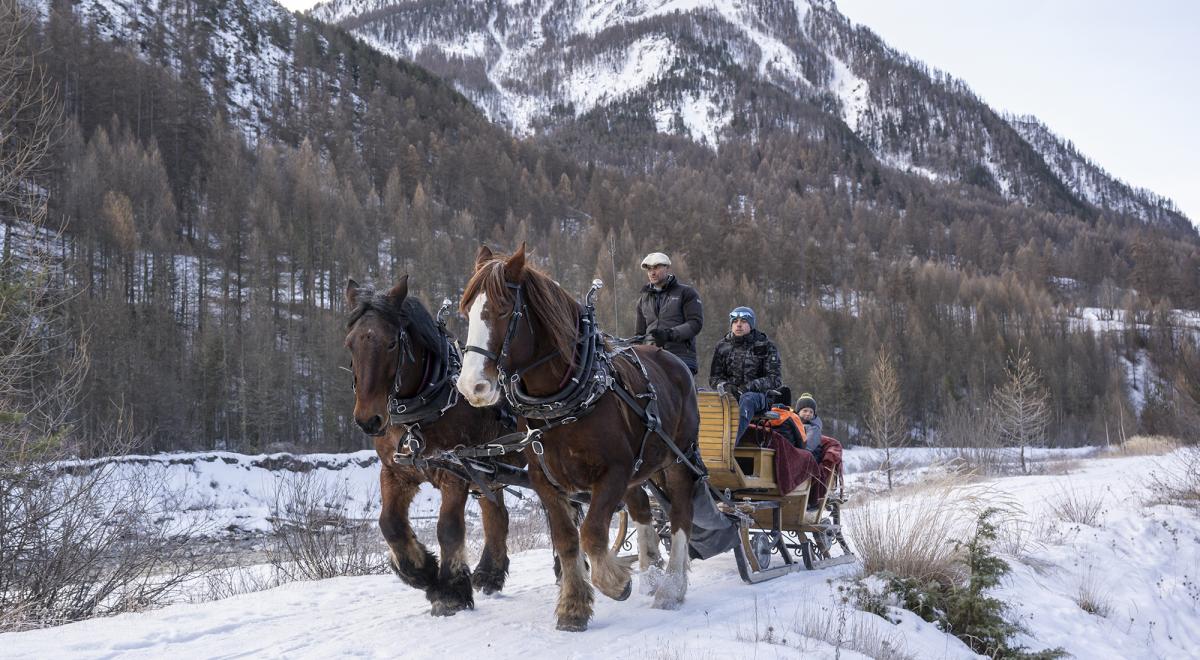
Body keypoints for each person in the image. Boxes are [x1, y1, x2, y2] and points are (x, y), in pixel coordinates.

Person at [709, 306, 781, 444]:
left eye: (743, 321)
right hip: (729, 394)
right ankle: (703, 446)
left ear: (751, 324)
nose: (739, 324)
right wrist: (726, 386)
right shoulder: (722, 346)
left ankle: (728, 446)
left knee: (747, 399)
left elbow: (775, 379)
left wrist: (747, 387)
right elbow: (714, 378)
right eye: (735, 321)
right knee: (702, 396)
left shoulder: (765, 345)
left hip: (759, 397)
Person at [634, 252, 703, 374]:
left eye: (656, 267)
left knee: (675, 392)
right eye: (649, 269)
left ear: (667, 268)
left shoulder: (686, 293)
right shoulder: (643, 300)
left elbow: (695, 324)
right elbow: (639, 335)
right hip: (651, 358)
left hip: (681, 357)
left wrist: (669, 334)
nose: (652, 273)